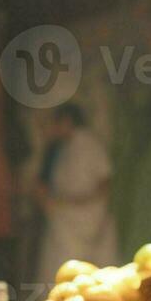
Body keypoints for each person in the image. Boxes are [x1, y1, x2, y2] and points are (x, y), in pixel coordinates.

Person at [33, 103, 119, 287]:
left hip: (87, 216)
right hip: (65, 217)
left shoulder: (90, 144)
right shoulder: (62, 148)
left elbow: (104, 183)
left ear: (67, 121)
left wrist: (78, 204)